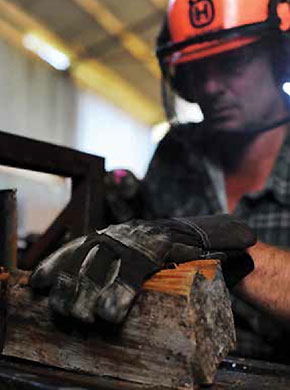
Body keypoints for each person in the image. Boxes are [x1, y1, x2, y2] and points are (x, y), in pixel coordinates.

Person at [30, 0, 290, 363]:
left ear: (280, 57)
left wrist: (226, 249)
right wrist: (127, 216)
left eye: (233, 62)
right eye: (196, 69)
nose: (211, 86)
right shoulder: (176, 151)